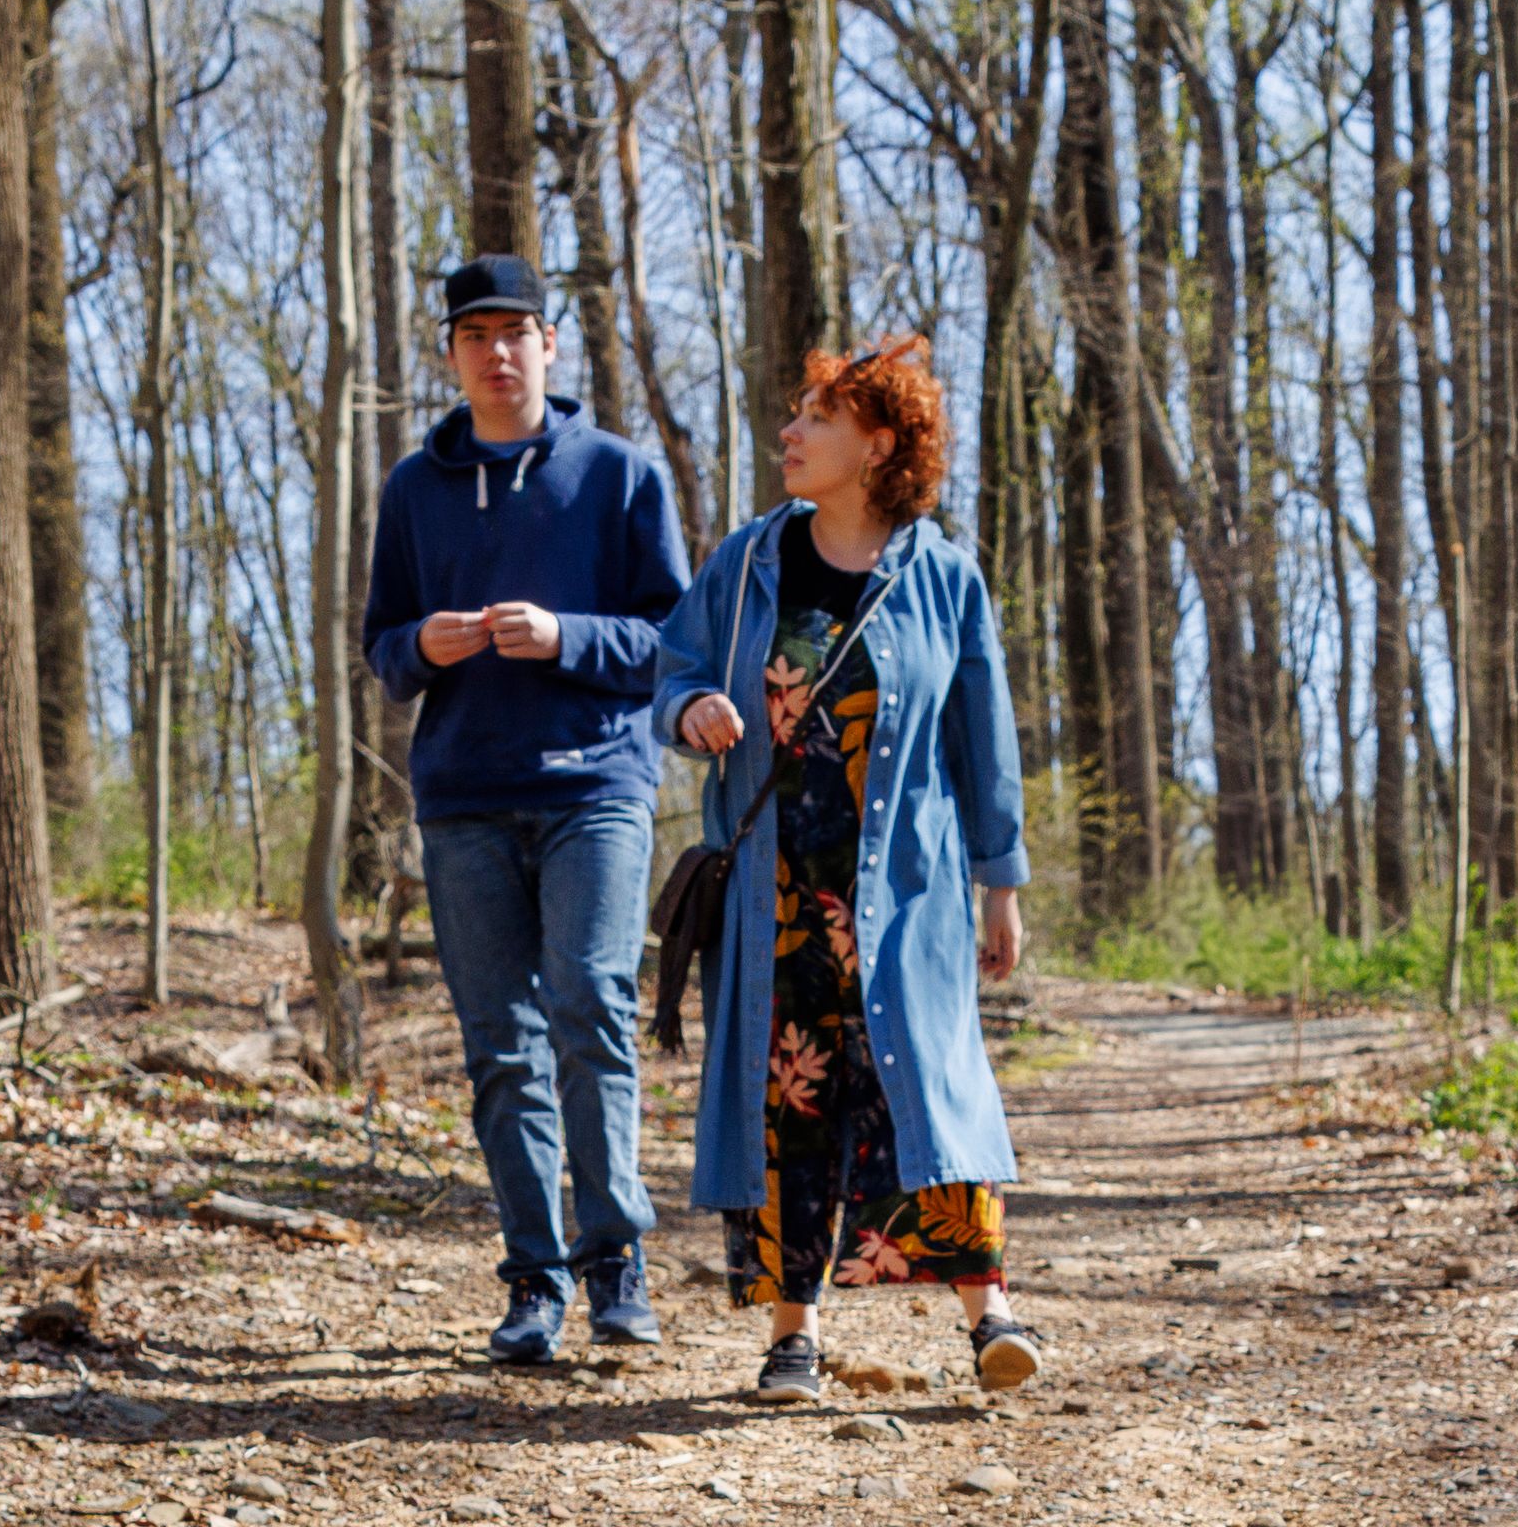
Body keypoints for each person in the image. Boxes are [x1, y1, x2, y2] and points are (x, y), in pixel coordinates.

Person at [657, 337, 1042, 1400]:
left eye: (816, 417)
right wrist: (690, 708)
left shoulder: (943, 576)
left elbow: (984, 740)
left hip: (907, 896)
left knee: (933, 1089)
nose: (789, 432)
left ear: (876, 445)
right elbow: (671, 666)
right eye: (795, 413)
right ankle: (795, 1336)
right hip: (773, 892)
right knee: (788, 1099)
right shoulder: (748, 563)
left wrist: (1000, 886)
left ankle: (991, 1316)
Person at [364, 254, 698, 1372]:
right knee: (499, 1045)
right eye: (475, 336)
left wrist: (565, 637)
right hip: (463, 798)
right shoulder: (414, 489)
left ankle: (616, 1260)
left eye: (515, 332)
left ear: (550, 345)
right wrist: (423, 645)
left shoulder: (617, 475)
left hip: (594, 790)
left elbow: (671, 645)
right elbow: (383, 650)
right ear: (451, 355)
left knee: (591, 1008)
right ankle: (533, 1277)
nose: (496, 352)